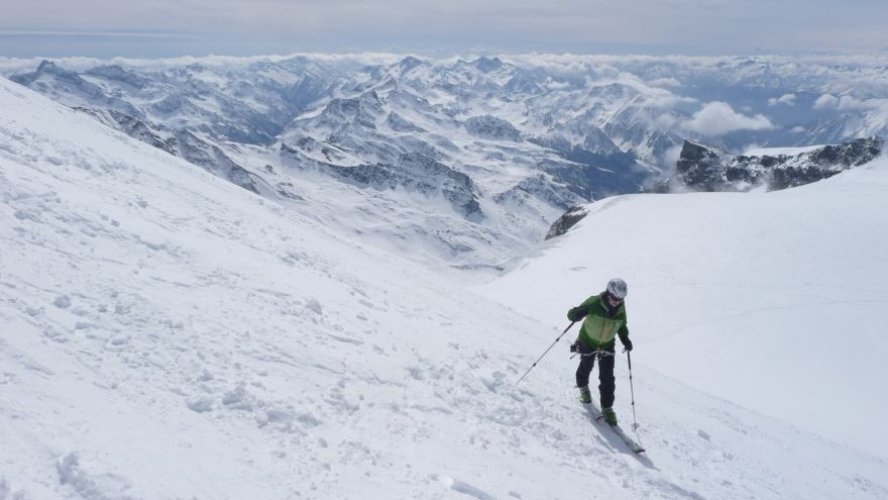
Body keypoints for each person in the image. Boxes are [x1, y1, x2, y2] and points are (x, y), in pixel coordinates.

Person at [567, 277, 633, 425]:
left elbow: (622, 326)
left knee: (608, 377)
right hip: (588, 340)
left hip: (607, 344)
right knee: (586, 366)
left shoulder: (621, 308)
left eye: (620, 299)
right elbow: (571, 314)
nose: (617, 301)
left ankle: (607, 408)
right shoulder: (595, 301)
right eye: (615, 298)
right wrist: (578, 313)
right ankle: (583, 388)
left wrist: (625, 339)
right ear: (608, 293)